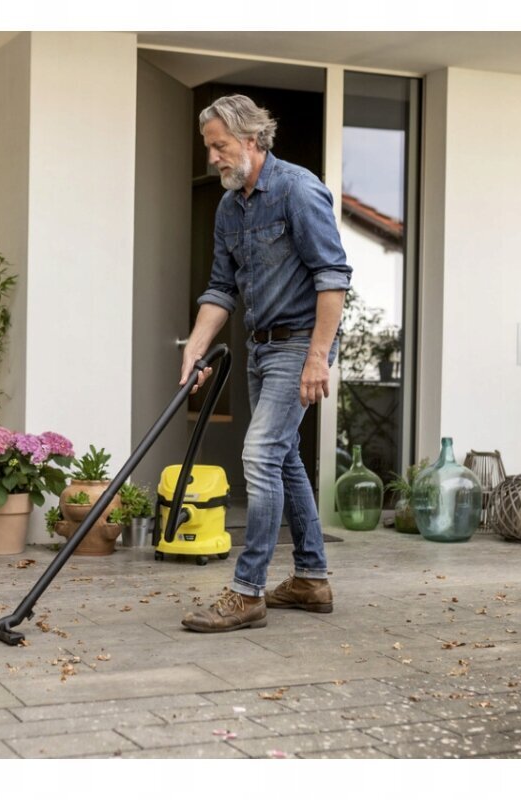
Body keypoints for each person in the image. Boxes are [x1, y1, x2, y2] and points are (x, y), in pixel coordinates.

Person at [179, 95, 351, 634]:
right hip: (259, 347)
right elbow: (220, 288)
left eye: (220, 146)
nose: (213, 158)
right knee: (282, 459)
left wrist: (318, 356)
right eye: (210, 147)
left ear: (252, 139)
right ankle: (311, 579)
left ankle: (248, 590)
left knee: (258, 456)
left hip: (301, 344)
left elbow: (333, 278)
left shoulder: (298, 190)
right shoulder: (230, 207)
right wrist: (195, 346)